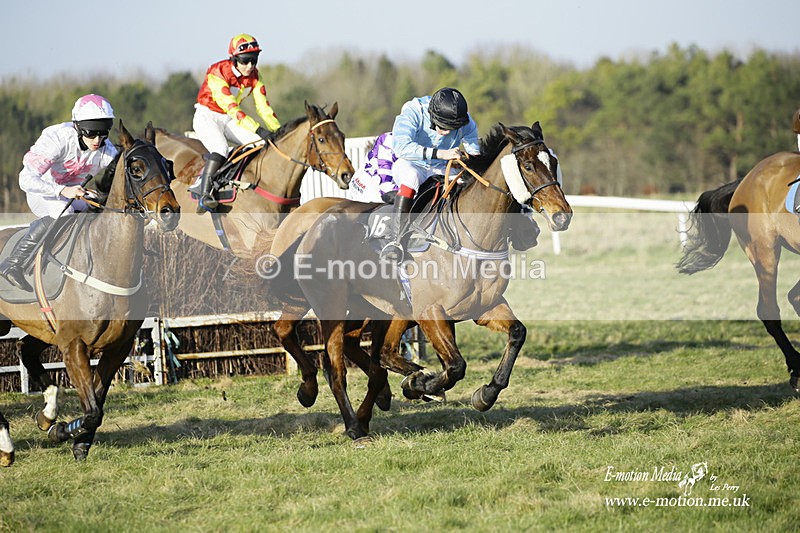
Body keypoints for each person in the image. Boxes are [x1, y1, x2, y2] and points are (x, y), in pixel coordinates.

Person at [0, 94, 118, 292]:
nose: (97, 141)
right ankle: (13, 263)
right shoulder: (57, 140)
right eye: (91, 134)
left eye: (103, 134)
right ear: (78, 127)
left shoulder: (107, 149)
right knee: (64, 211)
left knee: (102, 209)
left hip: (74, 193)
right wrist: (62, 190)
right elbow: (25, 180)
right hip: (42, 193)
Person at [381, 87, 480, 261]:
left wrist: (465, 159)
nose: (447, 132)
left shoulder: (467, 122)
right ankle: (394, 241)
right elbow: (401, 147)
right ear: (432, 115)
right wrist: (440, 153)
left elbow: (475, 154)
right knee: (411, 177)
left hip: (442, 167)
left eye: (452, 128)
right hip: (411, 163)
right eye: (443, 126)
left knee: (467, 183)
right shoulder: (414, 110)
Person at [192, 33, 281, 212]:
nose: (250, 66)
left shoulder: (255, 77)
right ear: (234, 59)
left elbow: (263, 107)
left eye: (254, 60)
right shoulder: (218, 72)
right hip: (207, 116)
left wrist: (278, 131)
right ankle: (204, 194)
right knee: (220, 148)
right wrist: (258, 128)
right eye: (245, 60)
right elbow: (233, 108)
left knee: (261, 144)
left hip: (228, 119)